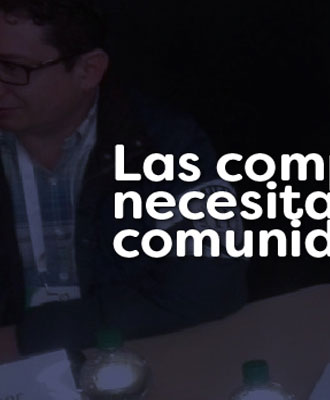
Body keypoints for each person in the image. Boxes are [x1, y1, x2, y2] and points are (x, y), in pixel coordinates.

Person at [0, 0, 247, 361]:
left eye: (13, 67)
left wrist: (25, 339)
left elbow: (210, 288)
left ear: (88, 70)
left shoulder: (167, 144)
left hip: (132, 354)